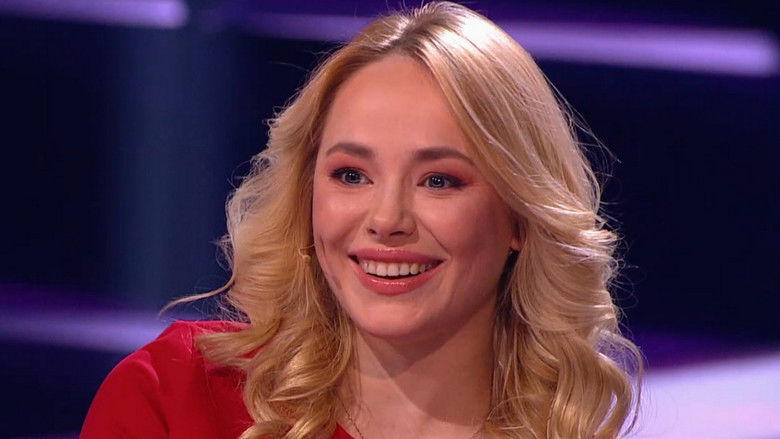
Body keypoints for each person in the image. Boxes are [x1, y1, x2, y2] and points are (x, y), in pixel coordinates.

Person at [81, 2, 642, 438]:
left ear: (520, 217)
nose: (387, 218)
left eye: (439, 180)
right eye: (351, 175)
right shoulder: (176, 397)